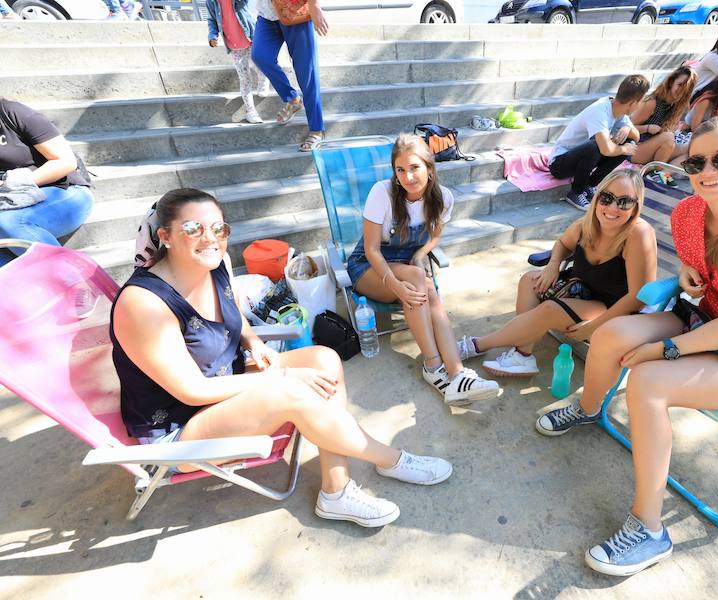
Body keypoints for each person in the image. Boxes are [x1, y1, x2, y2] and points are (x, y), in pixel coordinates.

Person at [536, 115, 718, 576]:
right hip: (709, 319)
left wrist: (667, 350)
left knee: (648, 382)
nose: (707, 170)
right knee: (610, 334)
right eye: (696, 162)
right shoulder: (689, 211)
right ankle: (590, 408)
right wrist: (690, 274)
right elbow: (698, 271)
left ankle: (649, 529)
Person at [111, 188, 453, 528]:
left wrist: (253, 341)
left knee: (323, 359)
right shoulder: (143, 303)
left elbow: (232, 313)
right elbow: (192, 392)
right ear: (165, 236)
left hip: (223, 388)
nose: (210, 238)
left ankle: (335, 492)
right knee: (292, 389)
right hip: (181, 429)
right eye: (193, 229)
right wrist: (283, 377)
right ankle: (391, 459)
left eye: (218, 228)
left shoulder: (214, 265)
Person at [456, 169, 657, 377]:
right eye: (606, 198)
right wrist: (553, 265)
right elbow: (562, 243)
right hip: (580, 290)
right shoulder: (586, 224)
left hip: (613, 309)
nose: (613, 207)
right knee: (529, 281)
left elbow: (639, 297)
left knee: (550, 309)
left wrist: (593, 327)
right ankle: (523, 354)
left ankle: (475, 345)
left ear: (635, 207)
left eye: (624, 202)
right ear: (597, 198)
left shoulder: (638, 235)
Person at [348, 134, 501, 406]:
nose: (407, 177)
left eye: (414, 168)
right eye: (400, 170)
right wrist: (395, 284)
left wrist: (419, 255)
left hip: (407, 266)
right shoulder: (381, 193)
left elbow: (434, 237)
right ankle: (434, 367)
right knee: (421, 279)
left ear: (430, 168)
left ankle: (457, 375)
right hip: (369, 268)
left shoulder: (443, 198)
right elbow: (371, 249)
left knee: (427, 288)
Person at [0, 99, 94, 267]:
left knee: (7, 223)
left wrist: (11, 183)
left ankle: (71, 281)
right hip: (11, 201)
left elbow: (65, 162)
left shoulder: (12, 113)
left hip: (63, 191)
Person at [548, 75, 649, 211]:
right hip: (560, 164)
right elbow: (606, 149)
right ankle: (576, 192)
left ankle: (589, 185)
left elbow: (636, 137)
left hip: (582, 162)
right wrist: (623, 149)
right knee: (595, 147)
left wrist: (626, 128)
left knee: (628, 142)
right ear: (633, 103)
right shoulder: (599, 110)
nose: (641, 104)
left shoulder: (619, 109)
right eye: (641, 101)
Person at [252, 0, 327, 152]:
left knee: (307, 74)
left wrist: (314, 4)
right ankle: (293, 99)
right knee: (260, 56)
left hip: (295, 11)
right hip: (266, 15)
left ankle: (317, 129)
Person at [206, 0, 267, 124]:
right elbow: (212, 20)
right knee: (244, 78)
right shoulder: (211, 1)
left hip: (250, 38)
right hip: (234, 46)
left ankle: (263, 79)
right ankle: (251, 112)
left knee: (260, 65)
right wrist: (212, 36)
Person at [670, 72, 718, 164]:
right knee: (695, 150)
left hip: (704, 136)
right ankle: (663, 172)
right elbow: (694, 127)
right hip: (688, 134)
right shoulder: (707, 101)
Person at [629, 67, 697, 165]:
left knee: (690, 148)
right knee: (668, 137)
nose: (682, 90)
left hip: (654, 146)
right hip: (634, 149)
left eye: (686, 88)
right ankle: (657, 172)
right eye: (680, 85)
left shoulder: (676, 106)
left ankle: (662, 172)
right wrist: (647, 128)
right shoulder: (651, 103)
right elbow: (627, 128)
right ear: (671, 82)